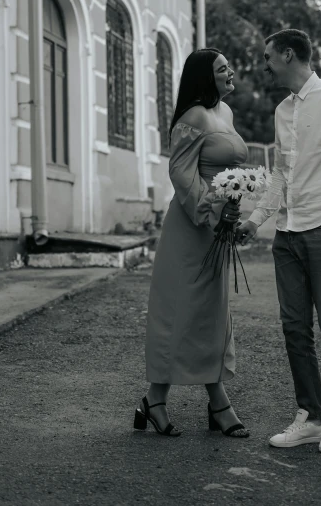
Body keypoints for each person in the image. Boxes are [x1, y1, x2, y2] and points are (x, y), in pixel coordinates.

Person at [237, 29, 321, 454]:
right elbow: (280, 174)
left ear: (288, 55)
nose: (264, 63)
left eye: (268, 56)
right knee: (294, 328)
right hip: (287, 235)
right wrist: (256, 220)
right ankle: (310, 417)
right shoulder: (281, 110)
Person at [134, 48, 250, 439]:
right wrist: (212, 213)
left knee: (212, 314)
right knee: (180, 312)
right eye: (222, 69)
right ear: (205, 77)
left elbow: (231, 172)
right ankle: (164, 400)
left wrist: (233, 209)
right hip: (192, 226)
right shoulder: (192, 117)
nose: (230, 71)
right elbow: (181, 174)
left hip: (221, 223)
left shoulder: (226, 114)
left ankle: (208, 402)